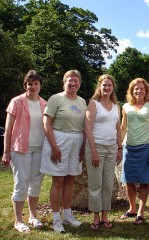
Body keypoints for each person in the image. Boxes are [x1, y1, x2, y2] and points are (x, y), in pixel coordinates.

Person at [40, 70, 87, 233]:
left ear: (79, 84)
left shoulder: (82, 101)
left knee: (70, 180)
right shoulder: (55, 98)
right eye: (70, 81)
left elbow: (85, 126)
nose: (73, 83)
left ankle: (67, 215)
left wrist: (83, 146)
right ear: (64, 82)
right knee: (58, 181)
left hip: (77, 141)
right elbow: (46, 123)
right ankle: (56, 219)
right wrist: (53, 146)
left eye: (76, 81)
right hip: (59, 140)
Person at [1, 70, 46, 233]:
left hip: (39, 149)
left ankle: (33, 217)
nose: (32, 87)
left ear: (40, 85)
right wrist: (6, 152)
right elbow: (8, 128)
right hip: (20, 149)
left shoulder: (44, 103)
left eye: (35, 83)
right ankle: (18, 221)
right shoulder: (17, 101)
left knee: (35, 184)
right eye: (29, 84)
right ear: (25, 85)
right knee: (21, 183)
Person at [85, 74, 122, 230]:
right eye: (104, 85)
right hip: (96, 148)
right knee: (95, 184)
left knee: (107, 184)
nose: (107, 88)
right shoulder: (93, 104)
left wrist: (120, 148)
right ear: (99, 86)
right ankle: (95, 217)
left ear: (113, 88)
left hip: (111, 149)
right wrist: (93, 152)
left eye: (109, 85)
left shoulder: (116, 106)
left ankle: (105, 216)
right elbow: (87, 128)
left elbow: (118, 129)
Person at [120, 78, 149, 225]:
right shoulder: (125, 107)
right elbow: (123, 128)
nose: (139, 91)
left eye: (141, 88)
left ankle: (141, 212)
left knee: (144, 181)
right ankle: (132, 209)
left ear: (146, 90)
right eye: (136, 89)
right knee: (129, 181)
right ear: (131, 91)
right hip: (129, 148)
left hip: (146, 147)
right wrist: (119, 145)